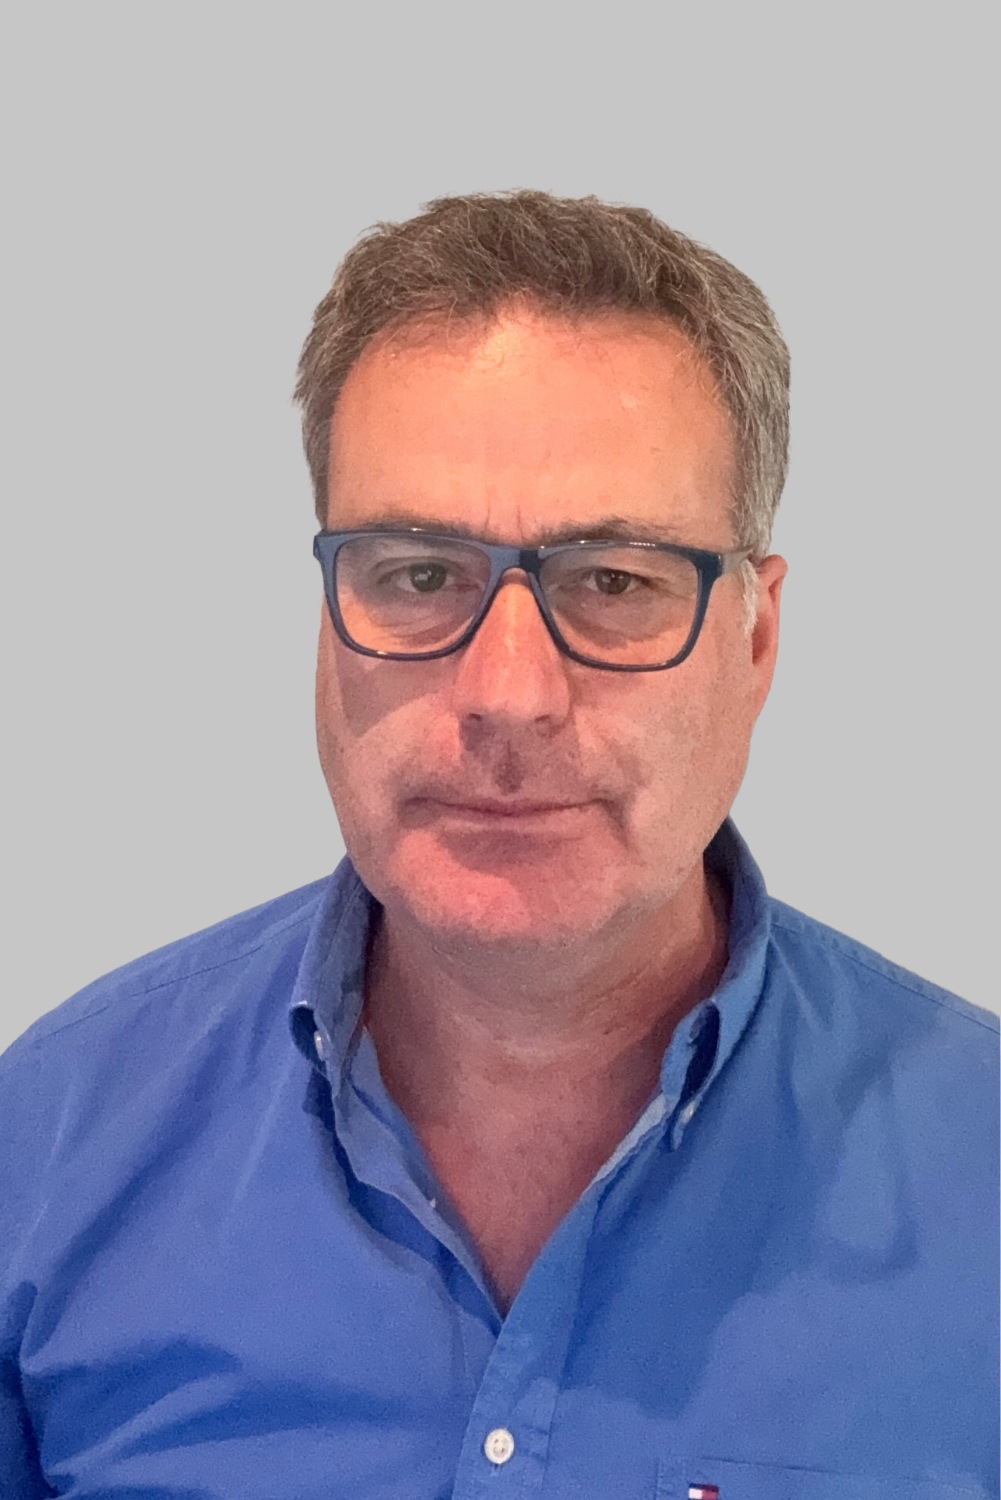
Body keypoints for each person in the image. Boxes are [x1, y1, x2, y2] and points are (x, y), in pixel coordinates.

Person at [1, 192, 996, 1500]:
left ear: (756, 642)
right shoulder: (48, 1149)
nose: (509, 692)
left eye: (616, 581)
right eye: (418, 574)